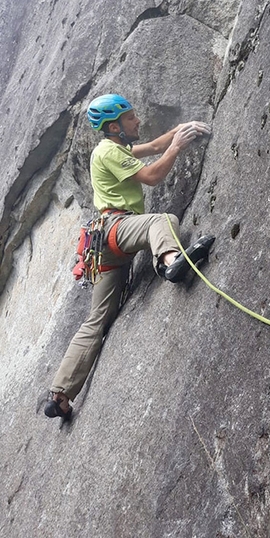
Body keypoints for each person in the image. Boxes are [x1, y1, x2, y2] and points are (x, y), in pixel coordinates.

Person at [44, 94, 215, 420]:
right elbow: (152, 176)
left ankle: (60, 394)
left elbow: (151, 146)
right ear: (114, 127)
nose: (137, 122)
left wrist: (181, 129)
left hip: (105, 245)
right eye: (131, 118)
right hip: (116, 228)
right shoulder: (107, 150)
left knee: (97, 319)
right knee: (161, 221)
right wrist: (177, 147)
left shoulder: (114, 149)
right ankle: (169, 261)